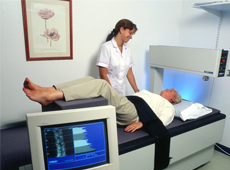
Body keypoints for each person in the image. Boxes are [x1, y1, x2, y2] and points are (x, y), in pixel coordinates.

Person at [23, 76, 182, 133]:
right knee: (90, 79)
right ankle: (46, 89)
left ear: (172, 99)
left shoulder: (168, 106)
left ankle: (49, 97)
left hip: (134, 113)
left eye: (169, 90)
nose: (166, 89)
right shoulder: (152, 94)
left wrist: (143, 122)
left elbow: (164, 120)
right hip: (128, 103)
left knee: (102, 85)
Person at [96, 19, 139, 95]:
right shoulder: (106, 47)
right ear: (122, 29)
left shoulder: (127, 50)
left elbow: (129, 73)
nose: (131, 37)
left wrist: (137, 91)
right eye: (130, 33)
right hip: (107, 92)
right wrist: (113, 94)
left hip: (122, 93)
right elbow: (103, 74)